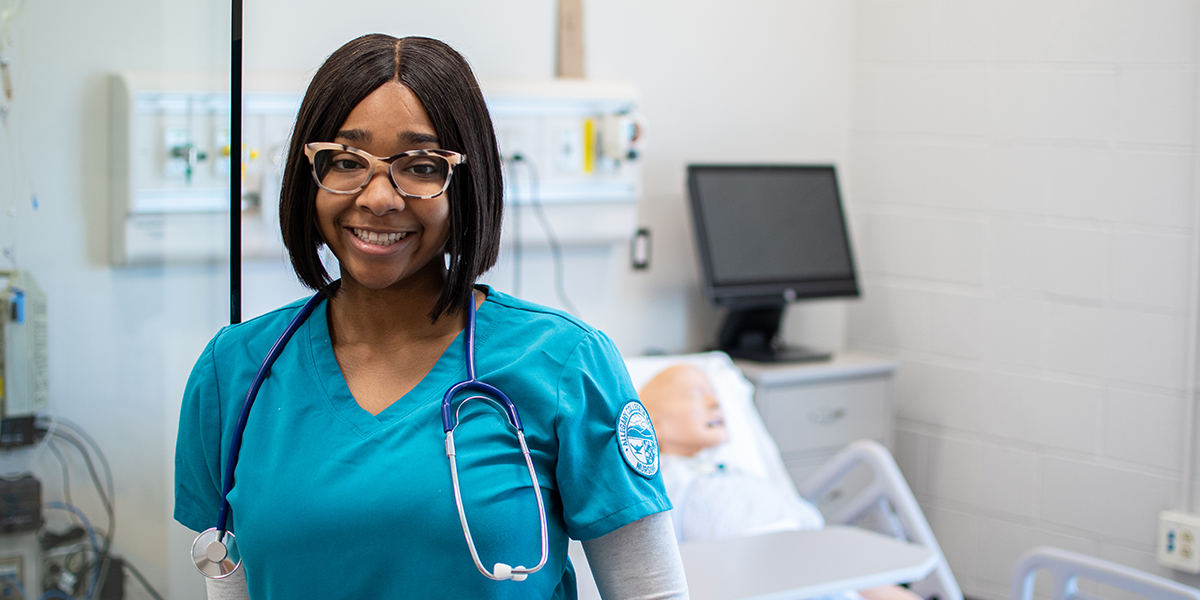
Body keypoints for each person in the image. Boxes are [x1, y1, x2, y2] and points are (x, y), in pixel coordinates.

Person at [174, 34, 686, 600]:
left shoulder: (564, 363)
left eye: (419, 167)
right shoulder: (234, 371)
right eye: (345, 162)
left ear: (465, 184)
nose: (378, 197)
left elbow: (652, 592)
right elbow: (231, 582)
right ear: (308, 174)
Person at [639, 364, 921, 600]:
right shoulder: (663, 479)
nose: (715, 402)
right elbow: (661, 546)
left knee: (866, 582)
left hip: (805, 552)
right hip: (750, 570)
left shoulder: (736, 470)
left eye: (714, 394)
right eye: (696, 395)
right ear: (655, 423)